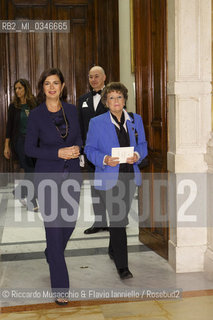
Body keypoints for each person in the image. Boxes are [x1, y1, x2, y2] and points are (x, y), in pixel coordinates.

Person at [25, 68, 82, 305]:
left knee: (68, 224)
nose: (51, 87)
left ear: (63, 85)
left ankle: (52, 251)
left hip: (72, 177)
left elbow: (79, 138)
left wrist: (78, 148)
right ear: (42, 88)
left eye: (55, 83)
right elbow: (29, 149)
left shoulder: (71, 110)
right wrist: (57, 152)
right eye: (47, 83)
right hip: (47, 178)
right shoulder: (36, 115)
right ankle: (61, 287)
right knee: (54, 229)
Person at [85, 82, 148, 279]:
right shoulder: (96, 123)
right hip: (108, 177)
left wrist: (137, 155)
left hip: (129, 176)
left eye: (119, 97)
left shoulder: (135, 120)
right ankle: (123, 266)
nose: (116, 101)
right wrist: (104, 159)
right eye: (111, 98)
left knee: (119, 217)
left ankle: (113, 249)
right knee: (119, 219)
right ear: (106, 102)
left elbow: (143, 145)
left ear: (124, 99)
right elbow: (89, 149)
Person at [78, 66, 108, 234]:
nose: (93, 80)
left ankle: (116, 222)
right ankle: (100, 221)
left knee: (111, 186)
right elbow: (80, 126)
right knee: (95, 186)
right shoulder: (83, 99)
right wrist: (81, 150)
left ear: (104, 77)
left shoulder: (113, 96)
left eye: (97, 76)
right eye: (90, 77)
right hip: (90, 151)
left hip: (109, 150)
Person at [4, 79, 38, 211]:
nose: (17, 91)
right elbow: (9, 127)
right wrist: (6, 146)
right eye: (15, 89)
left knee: (33, 170)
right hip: (19, 141)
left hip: (34, 141)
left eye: (20, 88)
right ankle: (31, 201)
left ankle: (18, 192)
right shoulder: (13, 106)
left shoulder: (34, 103)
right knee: (29, 169)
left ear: (26, 89)